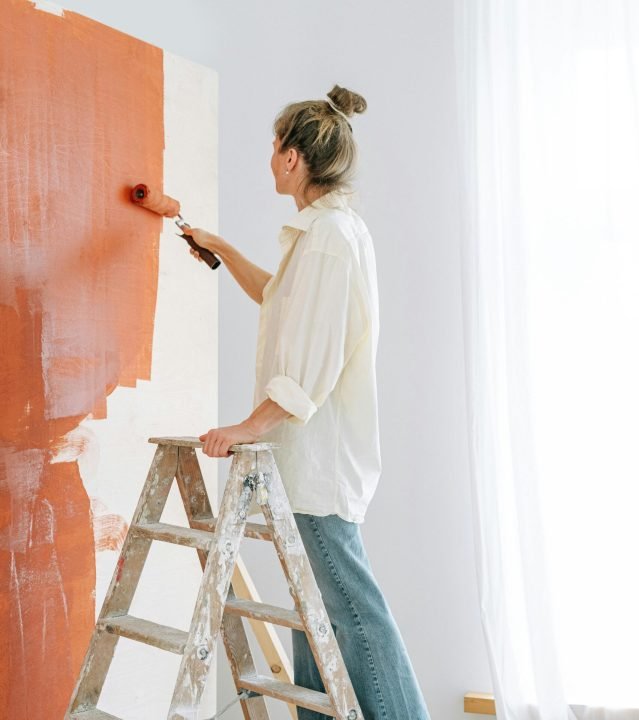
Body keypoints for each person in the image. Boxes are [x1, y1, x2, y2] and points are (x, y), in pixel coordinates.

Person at [182, 84, 431, 720]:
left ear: (294, 157)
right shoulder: (321, 234)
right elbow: (278, 299)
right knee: (314, 610)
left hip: (319, 462)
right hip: (308, 461)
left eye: (273, 147)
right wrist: (224, 250)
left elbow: (310, 365)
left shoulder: (329, 238)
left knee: (351, 610)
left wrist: (247, 426)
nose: (268, 157)